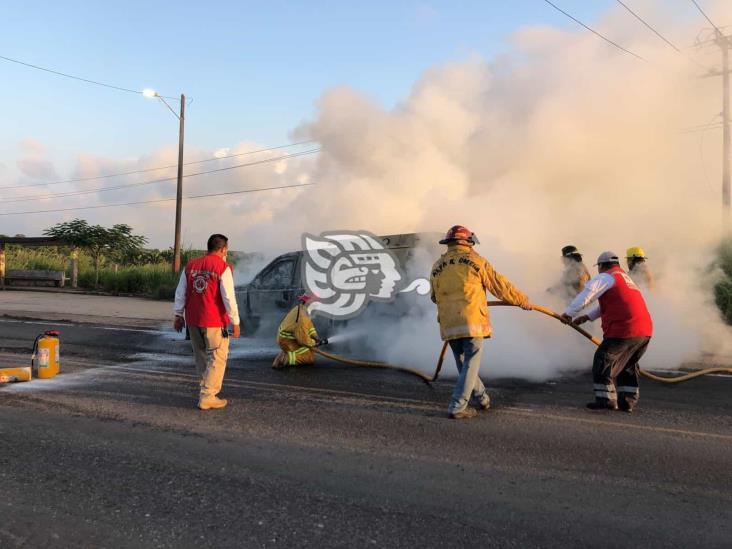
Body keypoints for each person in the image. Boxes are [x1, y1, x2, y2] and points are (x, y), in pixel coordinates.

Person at [430, 225, 532, 420]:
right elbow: (500, 286)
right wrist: (521, 300)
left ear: (449, 244)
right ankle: (457, 406)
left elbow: (433, 296)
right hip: (472, 320)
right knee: (471, 362)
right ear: (468, 242)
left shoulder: (436, 266)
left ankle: (482, 398)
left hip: (449, 323)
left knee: (464, 363)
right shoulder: (476, 261)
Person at [561, 251, 653, 413]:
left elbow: (586, 295)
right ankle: (627, 402)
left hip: (625, 329)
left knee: (602, 361)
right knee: (628, 365)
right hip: (644, 331)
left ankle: (606, 400)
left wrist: (569, 313)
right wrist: (588, 317)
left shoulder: (606, 277)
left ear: (602, 266)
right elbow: (613, 303)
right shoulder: (624, 278)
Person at [174, 234, 240, 410]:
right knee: (217, 357)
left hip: (193, 320)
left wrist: (178, 315)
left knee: (201, 356)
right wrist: (235, 321)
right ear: (223, 249)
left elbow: (181, 292)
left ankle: (205, 389)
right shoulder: (223, 267)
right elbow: (228, 297)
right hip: (214, 321)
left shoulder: (191, 266)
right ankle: (208, 396)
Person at [272, 294, 326, 368]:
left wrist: (316, 337)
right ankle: (284, 359)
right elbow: (303, 341)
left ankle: (286, 352)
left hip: (290, 338)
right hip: (288, 341)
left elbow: (309, 326)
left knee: (310, 351)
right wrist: (314, 343)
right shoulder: (302, 318)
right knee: (309, 357)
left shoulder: (301, 310)